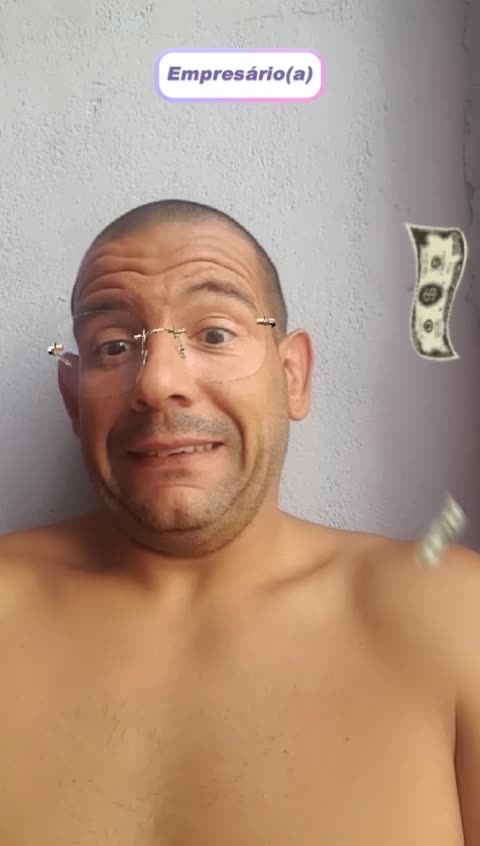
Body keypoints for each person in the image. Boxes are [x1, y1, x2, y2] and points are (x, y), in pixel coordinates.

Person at [0, 199, 479, 845]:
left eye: (215, 334)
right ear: (72, 397)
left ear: (293, 376)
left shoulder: (454, 616)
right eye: (113, 345)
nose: (157, 382)